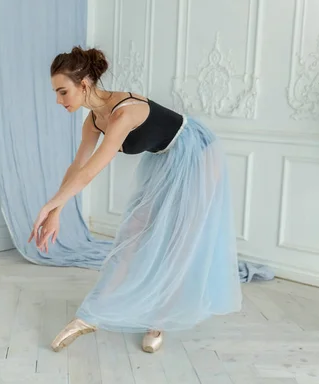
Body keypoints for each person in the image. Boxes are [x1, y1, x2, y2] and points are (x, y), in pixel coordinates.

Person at [28, 46, 242, 353]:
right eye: (56, 93)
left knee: (179, 238)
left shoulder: (124, 112)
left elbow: (90, 172)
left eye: (63, 92)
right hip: (164, 158)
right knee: (133, 233)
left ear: (84, 85)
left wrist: (48, 206)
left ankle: (160, 319)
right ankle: (91, 316)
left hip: (198, 153)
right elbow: (78, 166)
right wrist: (56, 211)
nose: (60, 101)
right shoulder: (92, 121)